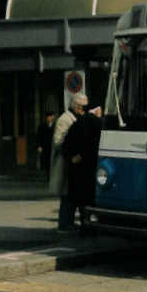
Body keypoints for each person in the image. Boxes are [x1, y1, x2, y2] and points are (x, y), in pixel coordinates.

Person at [63, 100, 102, 231]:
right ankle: (92, 225)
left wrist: (73, 157)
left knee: (80, 199)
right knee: (92, 199)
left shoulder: (77, 123)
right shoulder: (99, 124)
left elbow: (66, 144)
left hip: (78, 169)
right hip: (92, 168)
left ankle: (84, 225)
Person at [50, 93, 86, 232]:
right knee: (67, 195)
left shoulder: (76, 117)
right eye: (82, 106)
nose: (84, 109)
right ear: (75, 106)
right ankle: (64, 224)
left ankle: (68, 222)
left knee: (71, 194)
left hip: (73, 163)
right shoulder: (64, 119)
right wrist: (72, 143)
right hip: (65, 162)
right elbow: (58, 141)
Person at [37, 111, 55, 180]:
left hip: (53, 146)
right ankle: (48, 175)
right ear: (47, 118)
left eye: (52, 116)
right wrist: (39, 146)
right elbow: (39, 137)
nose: (50, 118)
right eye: (49, 116)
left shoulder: (55, 125)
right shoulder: (42, 126)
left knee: (53, 161)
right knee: (47, 161)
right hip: (45, 146)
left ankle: (53, 175)